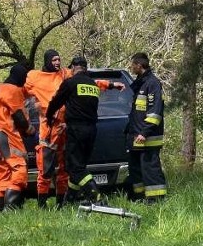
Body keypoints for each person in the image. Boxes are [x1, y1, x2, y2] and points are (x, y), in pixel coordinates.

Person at [46, 56, 124, 205]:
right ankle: (69, 201)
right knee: (80, 166)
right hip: (91, 130)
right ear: (85, 68)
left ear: (74, 68)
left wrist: (49, 116)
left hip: (76, 130)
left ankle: (96, 197)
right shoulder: (93, 85)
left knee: (73, 168)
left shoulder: (70, 83)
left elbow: (56, 102)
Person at [24, 49, 71, 209]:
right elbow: (17, 91)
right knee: (45, 170)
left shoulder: (65, 74)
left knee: (64, 171)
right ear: (47, 61)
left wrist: (110, 85)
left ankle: (61, 203)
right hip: (48, 132)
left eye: (59, 59)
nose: (57, 62)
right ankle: (42, 204)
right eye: (54, 60)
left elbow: (85, 82)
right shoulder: (35, 77)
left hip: (64, 130)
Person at [0, 63, 34, 211]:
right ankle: (11, 208)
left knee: (3, 173)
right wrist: (28, 128)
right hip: (6, 133)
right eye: (25, 77)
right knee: (19, 167)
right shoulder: (13, 90)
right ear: (20, 76)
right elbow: (18, 115)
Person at [125, 52, 167, 203]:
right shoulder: (141, 83)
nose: (131, 68)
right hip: (136, 136)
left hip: (148, 137)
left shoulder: (153, 83)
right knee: (135, 168)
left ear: (139, 65)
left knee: (150, 168)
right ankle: (139, 197)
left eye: (133, 65)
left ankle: (156, 199)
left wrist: (144, 132)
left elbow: (155, 112)